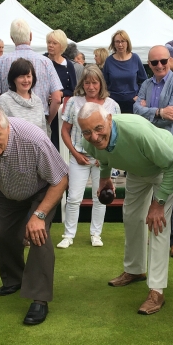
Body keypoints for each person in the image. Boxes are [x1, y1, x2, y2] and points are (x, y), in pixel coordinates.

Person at [0, 105, 68, 326]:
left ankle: (39, 298)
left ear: (7, 128)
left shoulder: (34, 140)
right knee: (6, 233)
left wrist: (39, 215)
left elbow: (60, 179)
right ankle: (14, 278)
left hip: (43, 189)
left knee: (37, 234)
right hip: (8, 191)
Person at [78, 103, 173, 315]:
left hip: (167, 166)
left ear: (109, 119)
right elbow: (103, 155)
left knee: (157, 224)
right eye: (87, 131)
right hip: (138, 168)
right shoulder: (88, 141)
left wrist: (158, 203)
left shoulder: (137, 131)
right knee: (132, 216)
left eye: (99, 128)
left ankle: (157, 290)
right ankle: (135, 270)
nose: (94, 136)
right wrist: (105, 179)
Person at [134, 45, 173, 258]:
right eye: (154, 62)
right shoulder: (146, 84)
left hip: (172, 146)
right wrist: (158, 111)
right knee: (151, 191)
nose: (159, 65)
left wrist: (147, 110)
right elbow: (136, 111)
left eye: (163, 61)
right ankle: (156, 235)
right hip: (149, 146)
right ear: (149, 64)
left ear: (169, 60)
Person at [58, 65, 120, 249]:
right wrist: (75, 154)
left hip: (103, 159)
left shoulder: (112, 105)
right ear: (82, 84)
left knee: (101, 196)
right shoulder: (73, 102)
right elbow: (64, 130)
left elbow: (116, 133)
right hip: (80, 156)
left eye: (94, 82)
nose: (91, 86)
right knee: (73, 197)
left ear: (101, 84)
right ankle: (68, 235)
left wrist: (107, 156)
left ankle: (96, 233)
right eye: (87, 82)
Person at [0, 18, 63, 127]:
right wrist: (47, 121)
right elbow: (57, 98)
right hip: (39, 121)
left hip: (10, 123)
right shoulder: (46, 62)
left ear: (12, 38)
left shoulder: (0, 62)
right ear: (30, 36)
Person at [45, 29, 81, 146]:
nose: (50, 45)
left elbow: (73, 89)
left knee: (58, 142)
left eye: (54, 43)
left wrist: (61, 93)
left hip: (61, 110)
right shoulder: (42, 61)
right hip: (43, 107)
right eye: (49, 42)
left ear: (62, 46)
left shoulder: (68, 64)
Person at [0, 58, 47, 132]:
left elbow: (43, 131)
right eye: (21, 76)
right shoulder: (3, 101)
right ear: (13, 79)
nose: (26, 80)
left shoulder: (37, 101)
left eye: (28, 76)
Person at [103, 30, 147, 114]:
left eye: (123, 41)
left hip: (133, 102)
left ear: (127, 43)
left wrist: (139, 96)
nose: (120, 44)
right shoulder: (109, 61)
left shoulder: (135, 58)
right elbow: (104, 83)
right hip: (113, 103)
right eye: (117, 42)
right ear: (114, 44)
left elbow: (144, 81)